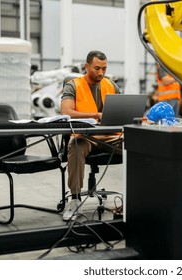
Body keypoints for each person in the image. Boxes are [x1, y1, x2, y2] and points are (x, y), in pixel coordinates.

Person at [61, 50, 122, 221]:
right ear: (86, 66)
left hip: (111, 136)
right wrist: (96, 115)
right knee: (75, 144)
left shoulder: (111, 85)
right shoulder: (73, 85)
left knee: (138, 145)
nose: (101, 73)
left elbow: (122, 108)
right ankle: (74, 200)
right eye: (97, 68)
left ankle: (137, 199)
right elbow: (66, 111)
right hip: (86, 136)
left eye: (104, 68)